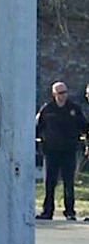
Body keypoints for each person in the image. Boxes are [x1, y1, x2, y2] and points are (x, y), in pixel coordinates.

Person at [35, 81, 86, 220]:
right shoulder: (47, 109)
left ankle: (69, 211)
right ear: (54, 94)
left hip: (69, 150)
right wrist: (38, 144)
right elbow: (38, 128)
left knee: (68, 183)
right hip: (51, 151)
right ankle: (47, 211)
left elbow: (84, 127)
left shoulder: (74, 109)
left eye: (65, 92)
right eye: (60, 93)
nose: (64, 95)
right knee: (49, 182)